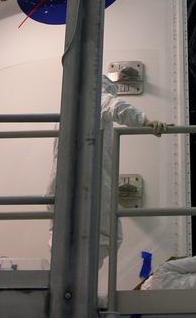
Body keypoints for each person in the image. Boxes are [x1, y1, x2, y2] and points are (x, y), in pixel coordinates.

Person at [49, 75, 167, 266]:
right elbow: (117, 107)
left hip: (60, 179)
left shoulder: (68, 108)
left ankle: (63, 270)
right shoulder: (98, 98)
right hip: (91, 178)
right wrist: (146, 122)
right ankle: (81, 276)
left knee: (60, 229)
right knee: (108, 234)